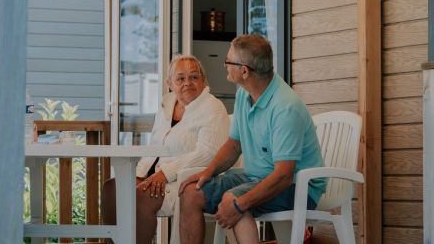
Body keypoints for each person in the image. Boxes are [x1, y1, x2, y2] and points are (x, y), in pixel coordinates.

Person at [178, 34, 327, 244]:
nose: (224, 66)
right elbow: (234, 144)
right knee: (192, 193)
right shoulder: (243, 94)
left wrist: (239, 204)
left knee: (234, 201)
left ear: (244, 71)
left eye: (228, 62)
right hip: (256, 177)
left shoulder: (285, 107)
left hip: (297, 187)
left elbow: (284, 175)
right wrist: (207, 172)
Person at [101, 54, 230, 244]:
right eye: (181, 78)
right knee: (112, 188)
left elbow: (208, 153)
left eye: (194, 77)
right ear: (170, 83)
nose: (188, 83)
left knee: (140, 196)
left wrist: (165, 173)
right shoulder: (166, 105)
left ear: (203, 80)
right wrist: (142, 173)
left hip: (185, 179)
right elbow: (156, 145)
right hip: (154, 173)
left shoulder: (212, 108)